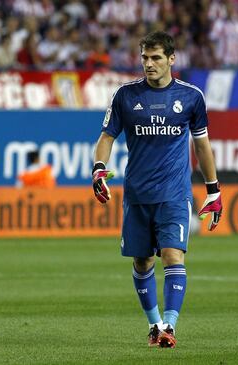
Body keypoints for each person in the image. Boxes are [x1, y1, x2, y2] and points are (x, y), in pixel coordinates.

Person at [92, 31, 222, 348]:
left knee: (172, 255)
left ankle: (171, 327)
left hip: (175, 194)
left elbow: (202, 146)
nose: (149, 64)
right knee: (142, 262)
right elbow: (107, 137)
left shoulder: (191, 97)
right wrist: (98, 169)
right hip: (137, 194)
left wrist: (213, 190)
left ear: (171, 59)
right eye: (145, 58)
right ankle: (155, 325)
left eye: (156, 58)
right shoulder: (125, 96)